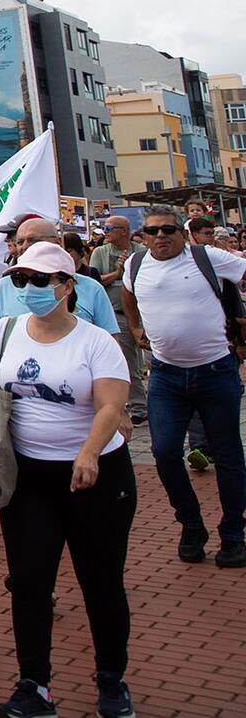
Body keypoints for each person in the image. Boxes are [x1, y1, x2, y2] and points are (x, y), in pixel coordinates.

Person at [0, 242, 137, 718]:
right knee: (29, 583)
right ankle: (35, 686)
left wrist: (89, 451)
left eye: (39, 280)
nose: (28, 289)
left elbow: (112, 406)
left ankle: (112, 679)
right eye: (20, 280)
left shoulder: (95, 342)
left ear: (67, 287)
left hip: (95, 477)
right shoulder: (5, 334)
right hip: (28, 478)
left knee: (101, 581)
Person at [121, 204, 245, 567]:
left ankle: (234, 534)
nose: (160, 236)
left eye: (169, 230)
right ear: (142, 236)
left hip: (216, 373)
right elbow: (128, 293)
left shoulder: (207, 257)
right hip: (166, 376)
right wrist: (134, 325)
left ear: (182, 233)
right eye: (152, 231)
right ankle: (191, 525)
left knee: (228, 456)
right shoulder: (135, 265)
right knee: (163, 452)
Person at [0, 217, 117, 331]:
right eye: (19, 242)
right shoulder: (1, 289)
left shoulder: (92, 289)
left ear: (58, 242)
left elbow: (111, 340)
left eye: (33, 240)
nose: (25, 246)